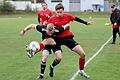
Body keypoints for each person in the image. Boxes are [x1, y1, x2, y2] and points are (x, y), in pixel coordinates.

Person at [47, 3, 93, 79]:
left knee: (82, 54)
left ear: (63, 11)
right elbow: (48, 29)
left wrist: (86, 23)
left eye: (61, 12)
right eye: (57, 12)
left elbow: (76, 18)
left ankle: (81, 71)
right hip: (57, 40)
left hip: (67, 38)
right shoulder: (52, 19)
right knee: (59, 58)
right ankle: (51, 66)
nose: (59, 14)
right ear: (55, 12)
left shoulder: (67, 16)